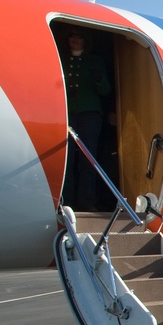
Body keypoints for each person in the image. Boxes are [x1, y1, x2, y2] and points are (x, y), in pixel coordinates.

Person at [61, 28, 110, 211]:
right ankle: (66, 202)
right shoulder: (63, 59)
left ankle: (87, 203)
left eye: (79, 37)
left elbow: (106, 90)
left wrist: (98, 79)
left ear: (85, 41)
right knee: (68, 160)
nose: (75, 39)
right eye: (72, 36)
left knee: (88, 159)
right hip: (68, 113)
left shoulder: (94, 61)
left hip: (89, 114)